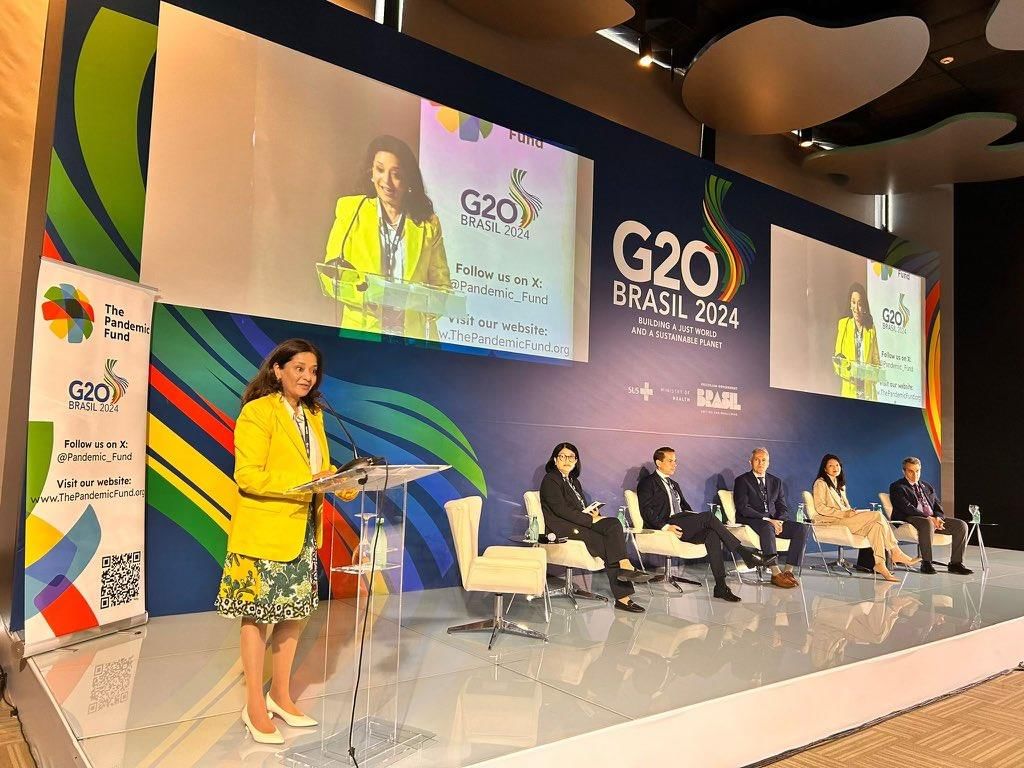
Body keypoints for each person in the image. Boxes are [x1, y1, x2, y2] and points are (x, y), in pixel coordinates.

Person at [214, 339, 359, 744]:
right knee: (258, 618)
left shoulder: (313, 415)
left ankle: (279, 695)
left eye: (313, 371)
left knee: (294, 615)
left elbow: (319, 468)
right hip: (264, 533)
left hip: (303, 531)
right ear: (277, 370)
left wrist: (345, 481)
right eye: (299, 368)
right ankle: (253, 707)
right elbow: (249, 476)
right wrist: (307, 482)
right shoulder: (258, 412)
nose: (307, 377)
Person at [323, 135, 452, 340]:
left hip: (413, 339)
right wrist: (369, 295)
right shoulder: (351, 210)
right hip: (363, 335)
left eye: (396, 174)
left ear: (409, 180)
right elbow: (331, 274)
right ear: (371, 172)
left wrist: (417, 301)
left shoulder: (428, 224)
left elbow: (442, 287)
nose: (386, 181)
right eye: (380, 170)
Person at [637, 447, 766, 602]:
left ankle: (720, 586)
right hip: (668, 524)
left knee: (712, 534)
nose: (674, 464)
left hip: (682, 520)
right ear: (659, 463)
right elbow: (646, 511)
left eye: (675, 461)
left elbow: (685, 508)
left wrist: (695, 520)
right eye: (670, 461)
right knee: (708, 516)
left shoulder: (674, 484)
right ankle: (744, 552)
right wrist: (665, 527)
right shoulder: (648, 483)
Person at [539, 442, 650, 613]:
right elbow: (560, 510)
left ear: (576, 461)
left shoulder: (574, 481)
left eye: (571, 457)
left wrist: (593, 513)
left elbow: (579, 508)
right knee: (610, 536)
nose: (567, 460)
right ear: (555, 460)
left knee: (613, 525)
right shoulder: (550, 479)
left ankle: (624, 579)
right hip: (561, 528)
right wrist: (590, 520)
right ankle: (624, 583)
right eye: (562, 456)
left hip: (578, 523)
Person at [811, 453, 919, 582]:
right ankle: (895, 551)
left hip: (845, 519)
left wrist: (850, 512)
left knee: (876, 526)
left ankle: (880, 564)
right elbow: (820, 508)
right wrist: (844, 514)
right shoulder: (820, 483)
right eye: (831, 466)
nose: (835, 468)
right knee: (877, 515)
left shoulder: (840, 485)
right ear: (824, 469)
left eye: (837, 465)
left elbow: (844, 506)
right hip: (832, 521)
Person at [733, 447, 808, 587]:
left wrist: (779, 521)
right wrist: (768, 520)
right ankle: (775, 573)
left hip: (773, 521)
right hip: (751, 520)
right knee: (767, 526)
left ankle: (788, 571)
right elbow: (743, 508)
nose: (760, 463)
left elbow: (782, 506)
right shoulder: (742, 480)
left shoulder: (776, 482)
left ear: (768, 463)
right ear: (750, 462)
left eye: (764, 460)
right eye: (757, 460)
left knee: (801, 528)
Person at [888, 457, 972, 575]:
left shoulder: (927, 486)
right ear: (904, 471)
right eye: (911, 471)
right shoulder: (897, 486)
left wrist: (938, 518)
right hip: (910, 517)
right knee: (927, 523)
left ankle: (955, 564)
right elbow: (906, 507)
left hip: (931, 519)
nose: (915, 475)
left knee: (961, 525)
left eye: (917, 471)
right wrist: (929, 518)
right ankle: (926, 562)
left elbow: (937, 505)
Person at [833, 282, 881, 401]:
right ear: (850, 304)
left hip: (868, 395)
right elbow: (837, 362)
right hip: (850, 392)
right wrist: (852, 372)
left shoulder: (871, 329)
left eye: (860, 304)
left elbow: (877, 364)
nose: (856, 308)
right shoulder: (843, 325)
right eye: (853, 302)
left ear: (864, 306)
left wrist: (871, 373)